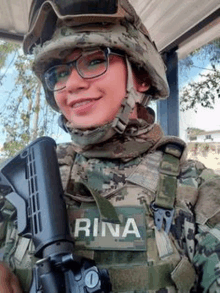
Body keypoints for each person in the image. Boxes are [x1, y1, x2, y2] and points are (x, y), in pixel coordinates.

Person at [1, 0, 220, 292]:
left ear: (141, 76)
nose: (71, 84)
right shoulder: (26, 178)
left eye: (94, 60)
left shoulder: (196, 190)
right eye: (59, 73)